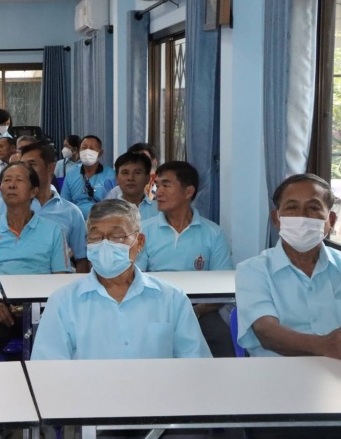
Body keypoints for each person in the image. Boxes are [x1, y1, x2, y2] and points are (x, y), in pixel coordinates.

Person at [237, 174, 341, 439]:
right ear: (276, 219)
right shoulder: (253, 270)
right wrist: (326, 345)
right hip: (276, 391)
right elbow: (266, 332)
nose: (302, 216)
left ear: (330, 220)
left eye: (313, 207)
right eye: (292, 207)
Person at [32, 199, 211, 360]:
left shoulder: (171, 298)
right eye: (95, 237)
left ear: (140, 242)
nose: (105, 245)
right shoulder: (64, 302)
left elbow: (195, 363)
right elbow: (48, 369)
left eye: (117, 237)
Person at [0, 163, 72, 351]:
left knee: (59, 343)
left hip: (41, 307)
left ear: (33, 191)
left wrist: (34, 307)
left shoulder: (53, 231)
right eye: (7, 180)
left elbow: (61, 281)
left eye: (19, 180)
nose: (11, 185)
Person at [136, 161, 234, 358]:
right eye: (157, 186)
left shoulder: (213, 233)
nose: (158, 192)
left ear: (188, 191)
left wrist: (195, 311)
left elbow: (222, 289)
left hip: (200, 311)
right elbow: (136, 278)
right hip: (154, 308)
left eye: (166, 185)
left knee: (221, 340)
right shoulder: (143, 231)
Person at [0, 142, 89, 273]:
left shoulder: (71, 212)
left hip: (55, 278)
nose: (26, 171)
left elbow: (82, 259)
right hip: (10, 275)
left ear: (51, 168)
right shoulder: (4, 204)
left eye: (32, 165)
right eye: (23, 165)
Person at [60, 135, 116, 217]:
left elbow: (116, 205)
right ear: (79, 151)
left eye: (92, 148)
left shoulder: (111, 175)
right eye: (84, 148)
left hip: (103, 219)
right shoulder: (71, 175)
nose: (87, 151)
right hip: (77, 220)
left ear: (100, 153)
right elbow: (64, 203)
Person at [106, 152, 159, 220]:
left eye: (137, 173)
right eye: (125, 173)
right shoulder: (107, 212)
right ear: (117, 178)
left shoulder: (160, 211)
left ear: (148, 178)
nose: (130, 178)